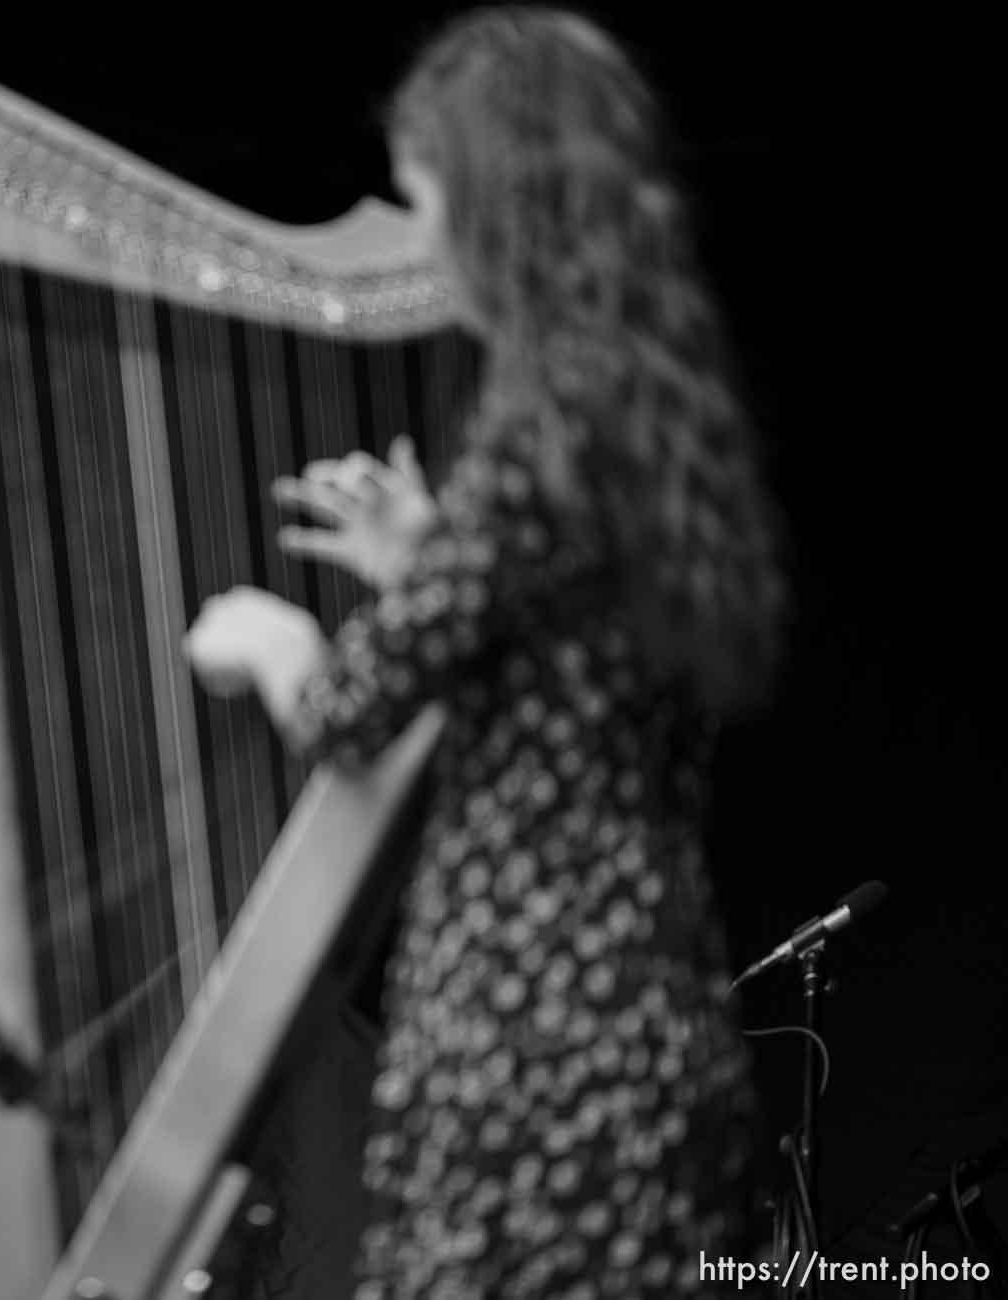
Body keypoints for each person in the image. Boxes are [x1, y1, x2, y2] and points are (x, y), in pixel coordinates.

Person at [185, 6, 787, 1295]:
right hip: (650, 1015)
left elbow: (343, 709)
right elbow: (574, 691)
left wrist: (274, 635)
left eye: (420, 197)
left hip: (534, 1039)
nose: (413, 236)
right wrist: (421, 562)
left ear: (498, 203)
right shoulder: (643, 407)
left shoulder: (537, 428)